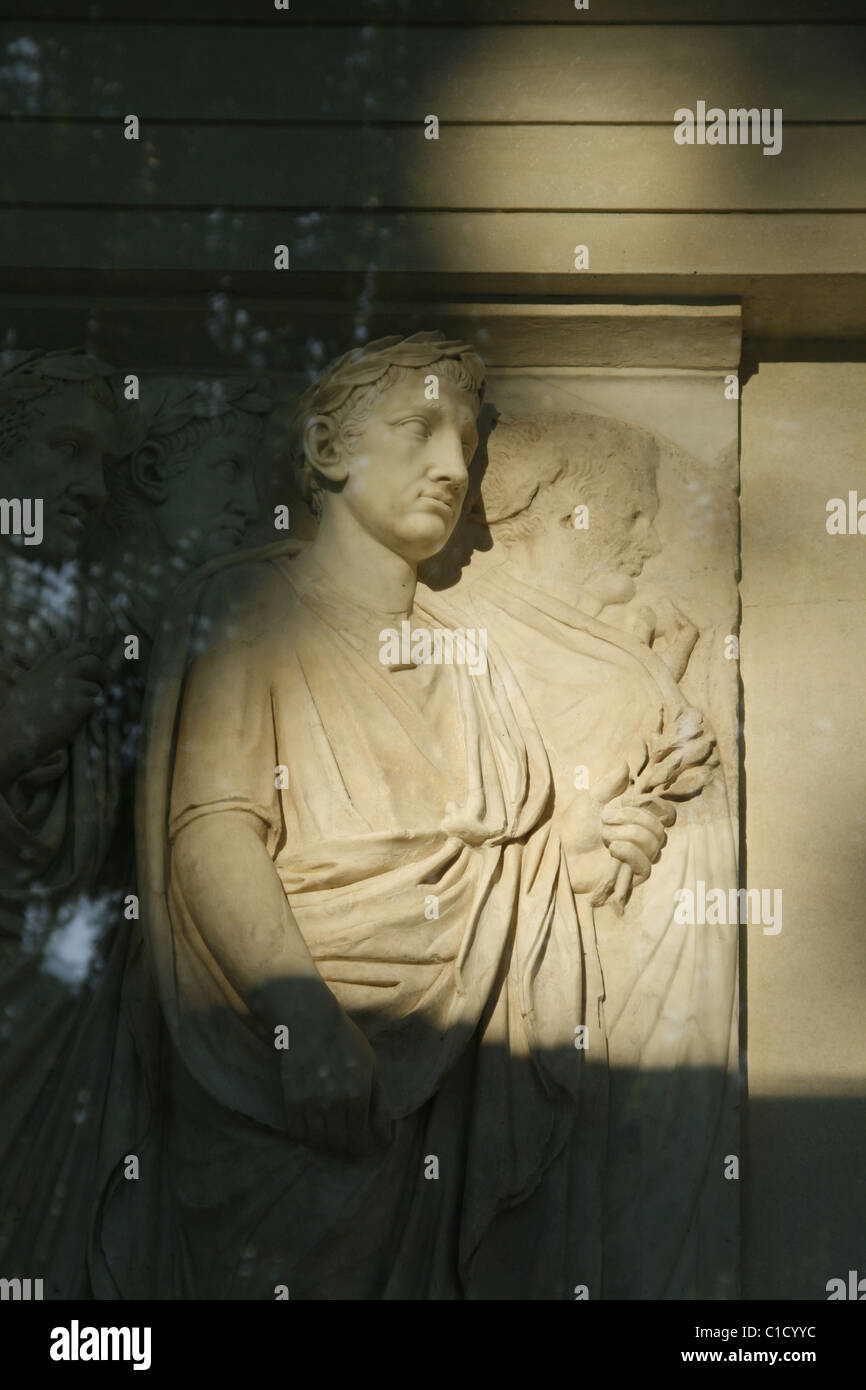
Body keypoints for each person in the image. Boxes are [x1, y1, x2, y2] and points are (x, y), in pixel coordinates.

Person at [93, 333, 672, 1300]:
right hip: (289, 1076)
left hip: (445, 1072)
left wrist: (572, 854)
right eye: (419, 430)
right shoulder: (244, 607)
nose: (453, 467)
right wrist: (306, 1025)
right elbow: (214, 826)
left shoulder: (470, 660)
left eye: (467, 447)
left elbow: (497, 863)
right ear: (326, 446)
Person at [440, 412, 740, 1298]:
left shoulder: (624, 632)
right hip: (529, 984)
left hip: (646, 980)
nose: (650, 543)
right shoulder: (459, 632)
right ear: (566, 509)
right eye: (631, 515)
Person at [0, 348, 128, 1294]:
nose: (88, 486)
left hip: (68, 998)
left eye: (104, 466)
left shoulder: (96, 617)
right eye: (67, 450)